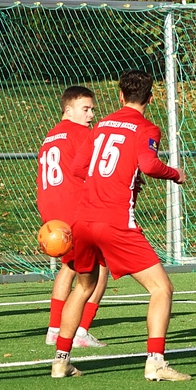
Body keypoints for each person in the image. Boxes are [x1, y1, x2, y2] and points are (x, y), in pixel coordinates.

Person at [50, 70, 190, 382]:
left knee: (82, 287)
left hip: (83, 220)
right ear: (150, 98)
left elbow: (78, 167)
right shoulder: (146, 127)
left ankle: (60, 361)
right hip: (115, 221)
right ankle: (156, 362)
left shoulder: (101, 125)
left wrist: (106, 180)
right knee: (162, 288)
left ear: (121, 96)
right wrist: (175, 174)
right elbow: (149, 165)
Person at [37, 86, 110, 347]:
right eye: (85, 109)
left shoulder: (50, 136)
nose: (91, 115)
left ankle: (54, 329)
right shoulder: (81, 133)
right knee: (101, 266)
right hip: (74, 208)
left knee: (69, 267)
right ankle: (80, 331)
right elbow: (96, 168)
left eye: (92, 109)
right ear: (68, 110)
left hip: (51, 211)